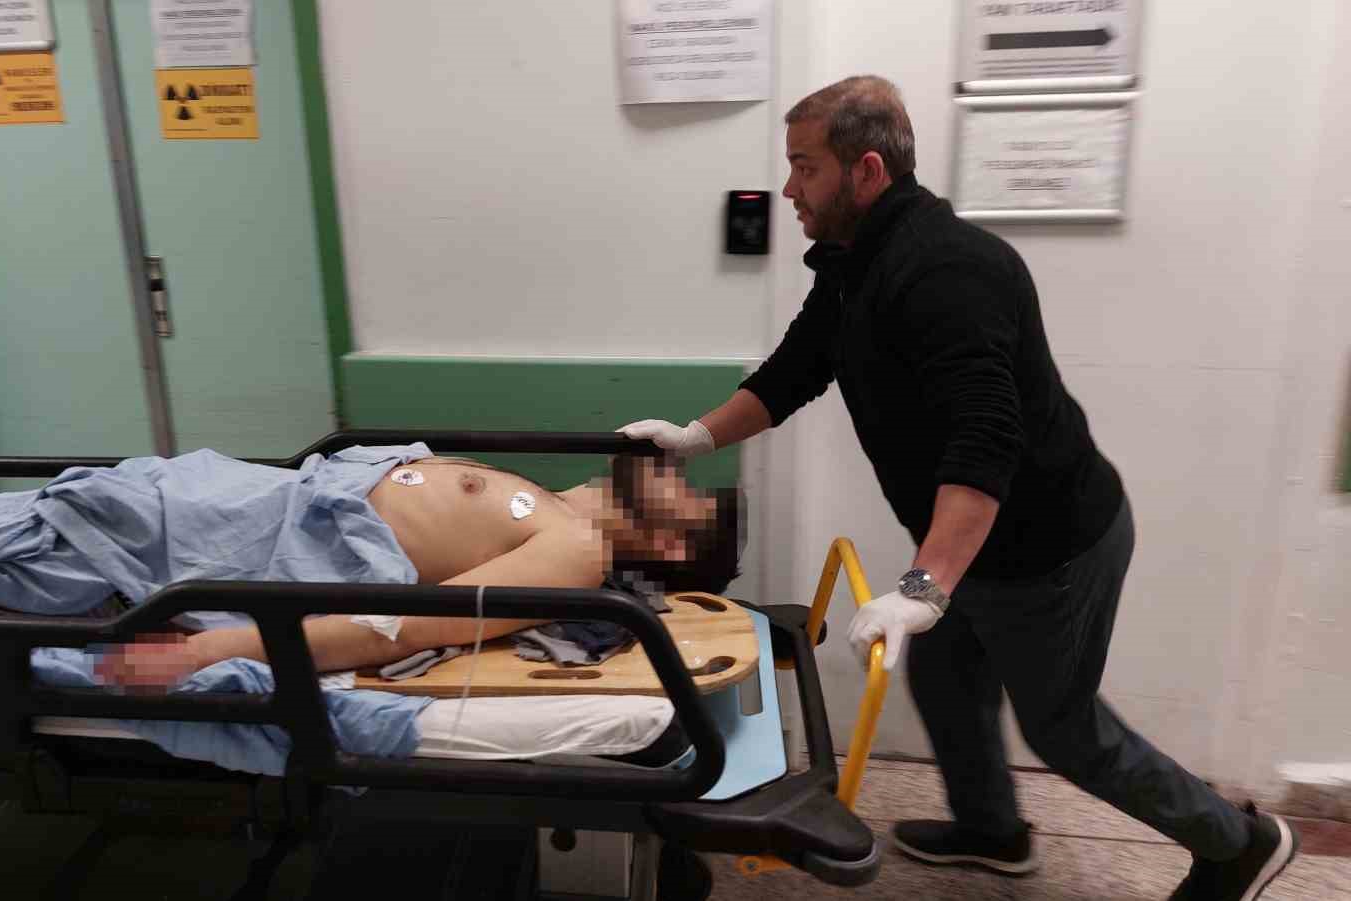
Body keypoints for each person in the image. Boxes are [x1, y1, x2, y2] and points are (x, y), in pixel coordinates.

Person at [619, 76, 1296, 900]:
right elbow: (795, 370)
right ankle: (991, 830)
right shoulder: (855, 265)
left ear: (867, 171)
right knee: (945, 675)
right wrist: (696, 436)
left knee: (1065, 729)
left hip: (1048, 547)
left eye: (805, 167)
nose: (790, 188)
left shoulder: (948, 270)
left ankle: (1238, 842)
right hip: (980, 541)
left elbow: (987, 438)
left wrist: (924, 585)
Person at [96, 449, 741, 689]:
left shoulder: (578, 551)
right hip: (237, 498)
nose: (676, 472)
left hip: (233, 537)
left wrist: (205, 651)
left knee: (77, 526)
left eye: (693, 494)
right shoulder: (554, 504)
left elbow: (404, 625)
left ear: (674, 547)